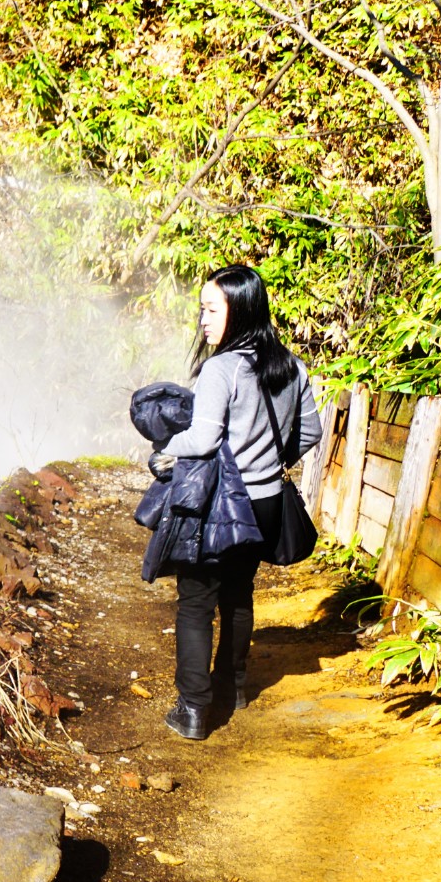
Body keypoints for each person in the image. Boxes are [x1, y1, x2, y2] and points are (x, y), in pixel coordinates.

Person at [157, 264, 322, 740]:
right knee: (238, 594)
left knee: (195, 603)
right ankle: (233, 688)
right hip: (267, 501)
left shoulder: (221, 368)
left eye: (211, 310)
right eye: (202, 310)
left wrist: (164, 451)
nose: (203, 320)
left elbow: (204, 438)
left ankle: (192, 709)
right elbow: (309, 431)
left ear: (240, 309)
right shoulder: (290, 366)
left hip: (222, 507)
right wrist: (270, 458)